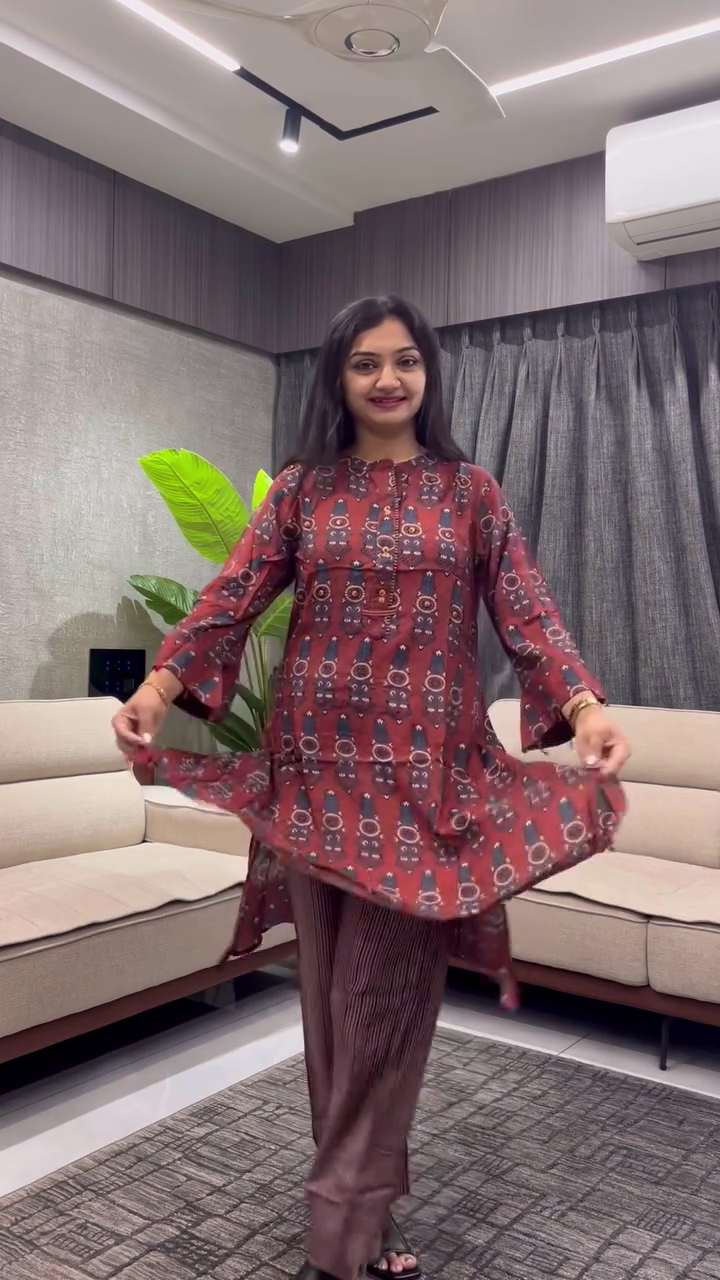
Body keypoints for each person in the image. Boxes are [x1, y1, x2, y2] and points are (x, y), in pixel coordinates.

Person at [113, 295, 630, 1280]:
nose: (388, 379)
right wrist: (158, 686)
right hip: (312, 776)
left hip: (423, 788)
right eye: (365, 363)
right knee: (327, 1005)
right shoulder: (302, 492)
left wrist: (585, 704)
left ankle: (339, 1234)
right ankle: (368, 1212)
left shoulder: (471, 493)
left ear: (428, 373)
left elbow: (527, 611)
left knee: (380, 1002)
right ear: (338, 378)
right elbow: (230, 598)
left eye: (405, 361)